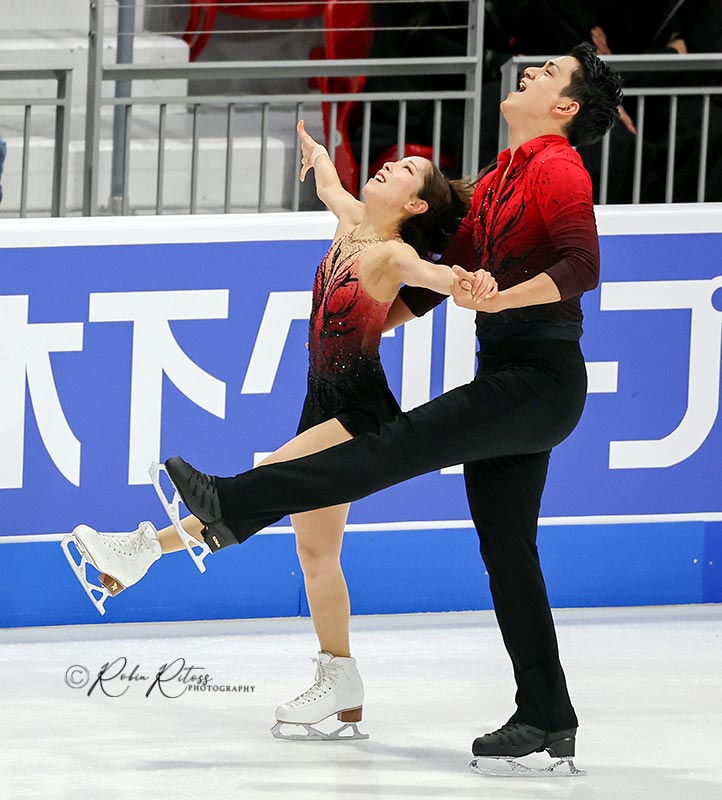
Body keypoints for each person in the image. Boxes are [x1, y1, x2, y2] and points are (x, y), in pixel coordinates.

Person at [157, 43, 623, 775]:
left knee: (385, 450)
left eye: (550, 73)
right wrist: (367, 319)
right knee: (508, 553)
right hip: (513, 375)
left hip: (538, 379)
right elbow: (439, 279)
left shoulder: (558, 167)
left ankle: (230, 504)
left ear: (565, 106)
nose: (532, 71)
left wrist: (501, 297)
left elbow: (582, 266)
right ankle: (546, 716)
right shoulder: (503, 174)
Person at [63, 121, 487, 739]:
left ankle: (141, 550)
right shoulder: (352, 222)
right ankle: (341, 680)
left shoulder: (393, 253)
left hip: (357, 414)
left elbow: (436, 277)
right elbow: (332, 188)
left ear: (416, 206)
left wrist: (469, 282)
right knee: (316, 554)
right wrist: (318, 157)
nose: (390, 165)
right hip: (321, 401)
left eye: (406, 171)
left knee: (268, 477)